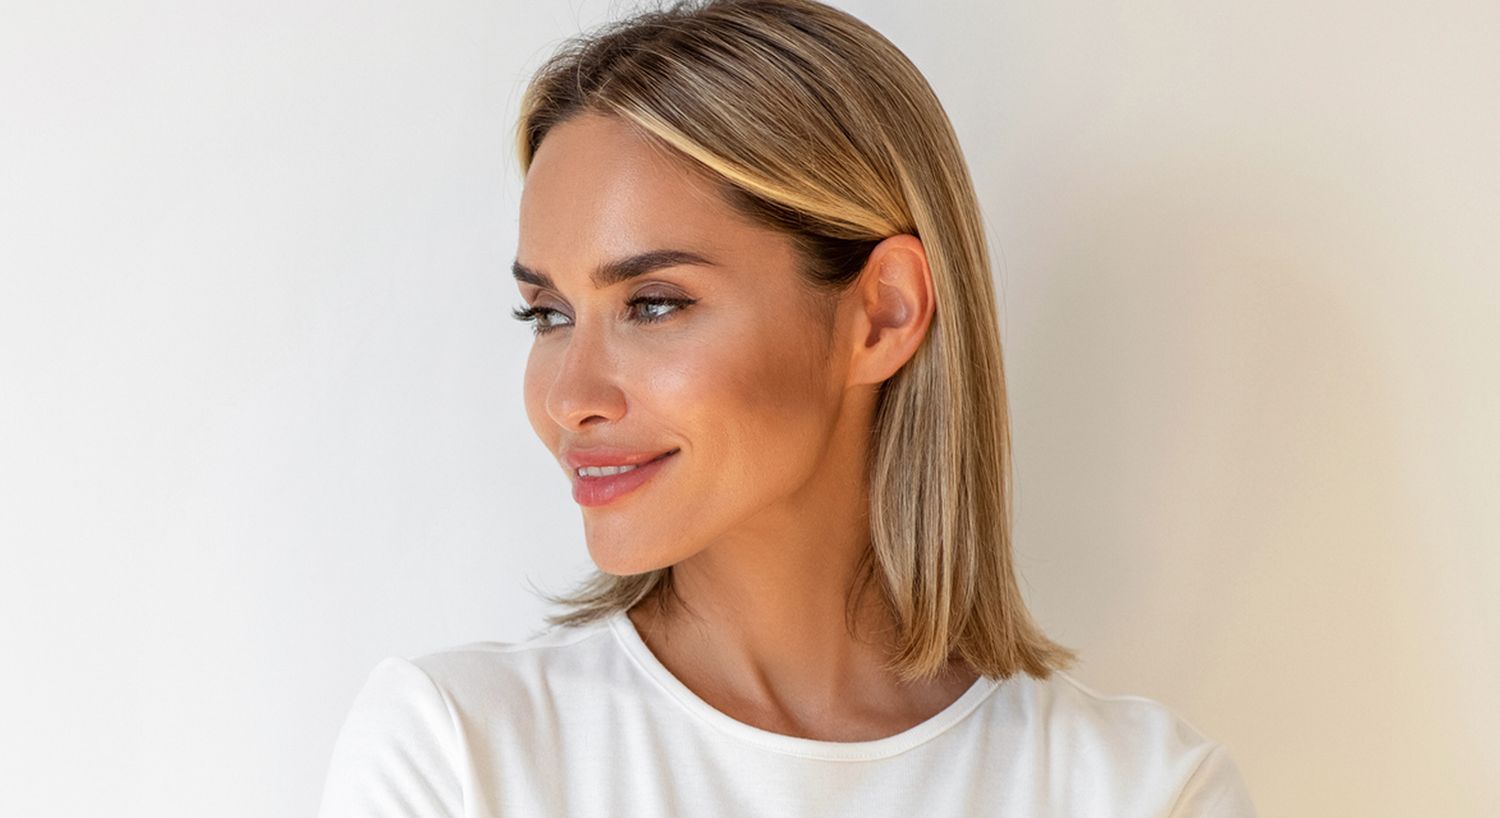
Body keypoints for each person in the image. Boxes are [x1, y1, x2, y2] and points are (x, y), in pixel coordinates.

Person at [316, 1, 1259, 815]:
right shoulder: (458, 752)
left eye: (654, 304)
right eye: (548, 314)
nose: (570, 398)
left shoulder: (1140, 791)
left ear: (882, 315)